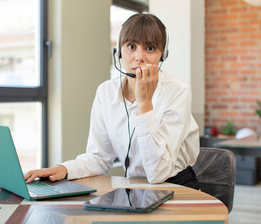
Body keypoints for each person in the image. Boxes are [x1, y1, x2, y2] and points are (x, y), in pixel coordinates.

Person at [25, 13, 200, 189]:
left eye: (150, 48)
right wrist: (63, 169)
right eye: (131, 46)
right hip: (135, 188)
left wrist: (144, 102)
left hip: (178, 186)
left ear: (163, 54)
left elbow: (158, 172)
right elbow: (99, 158)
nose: (139, 57)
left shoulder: (178, 92)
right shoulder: (105, 92)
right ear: (119, 52)